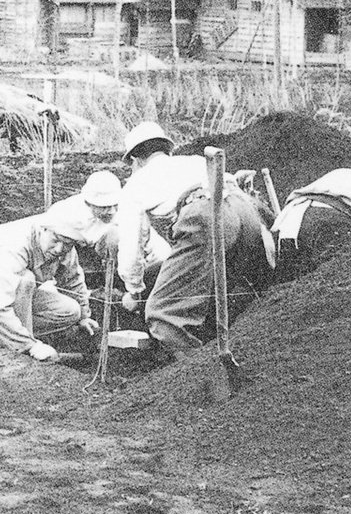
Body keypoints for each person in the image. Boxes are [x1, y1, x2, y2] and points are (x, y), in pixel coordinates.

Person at [116, 121, 273, 352]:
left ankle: (195, 375)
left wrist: (135, 289)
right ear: (167, 150)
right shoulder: (194, 161)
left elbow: (131, 246)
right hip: (246, 212)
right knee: (233, 291)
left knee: (163, 314)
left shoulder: (136, 184)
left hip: (206, 216)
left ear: (135, 160)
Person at [0, 182, 118, 362]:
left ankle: (2, 332)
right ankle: (15, 347)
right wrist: (31, 346)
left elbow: (73, 279)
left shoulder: (65, 246)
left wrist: (84, 316)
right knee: (24, 280)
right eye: (56, 240)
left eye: (67, 244)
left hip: (13, 297)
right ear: (44, 229)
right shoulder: (11, 246)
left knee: (70, 310)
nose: (60, 248)